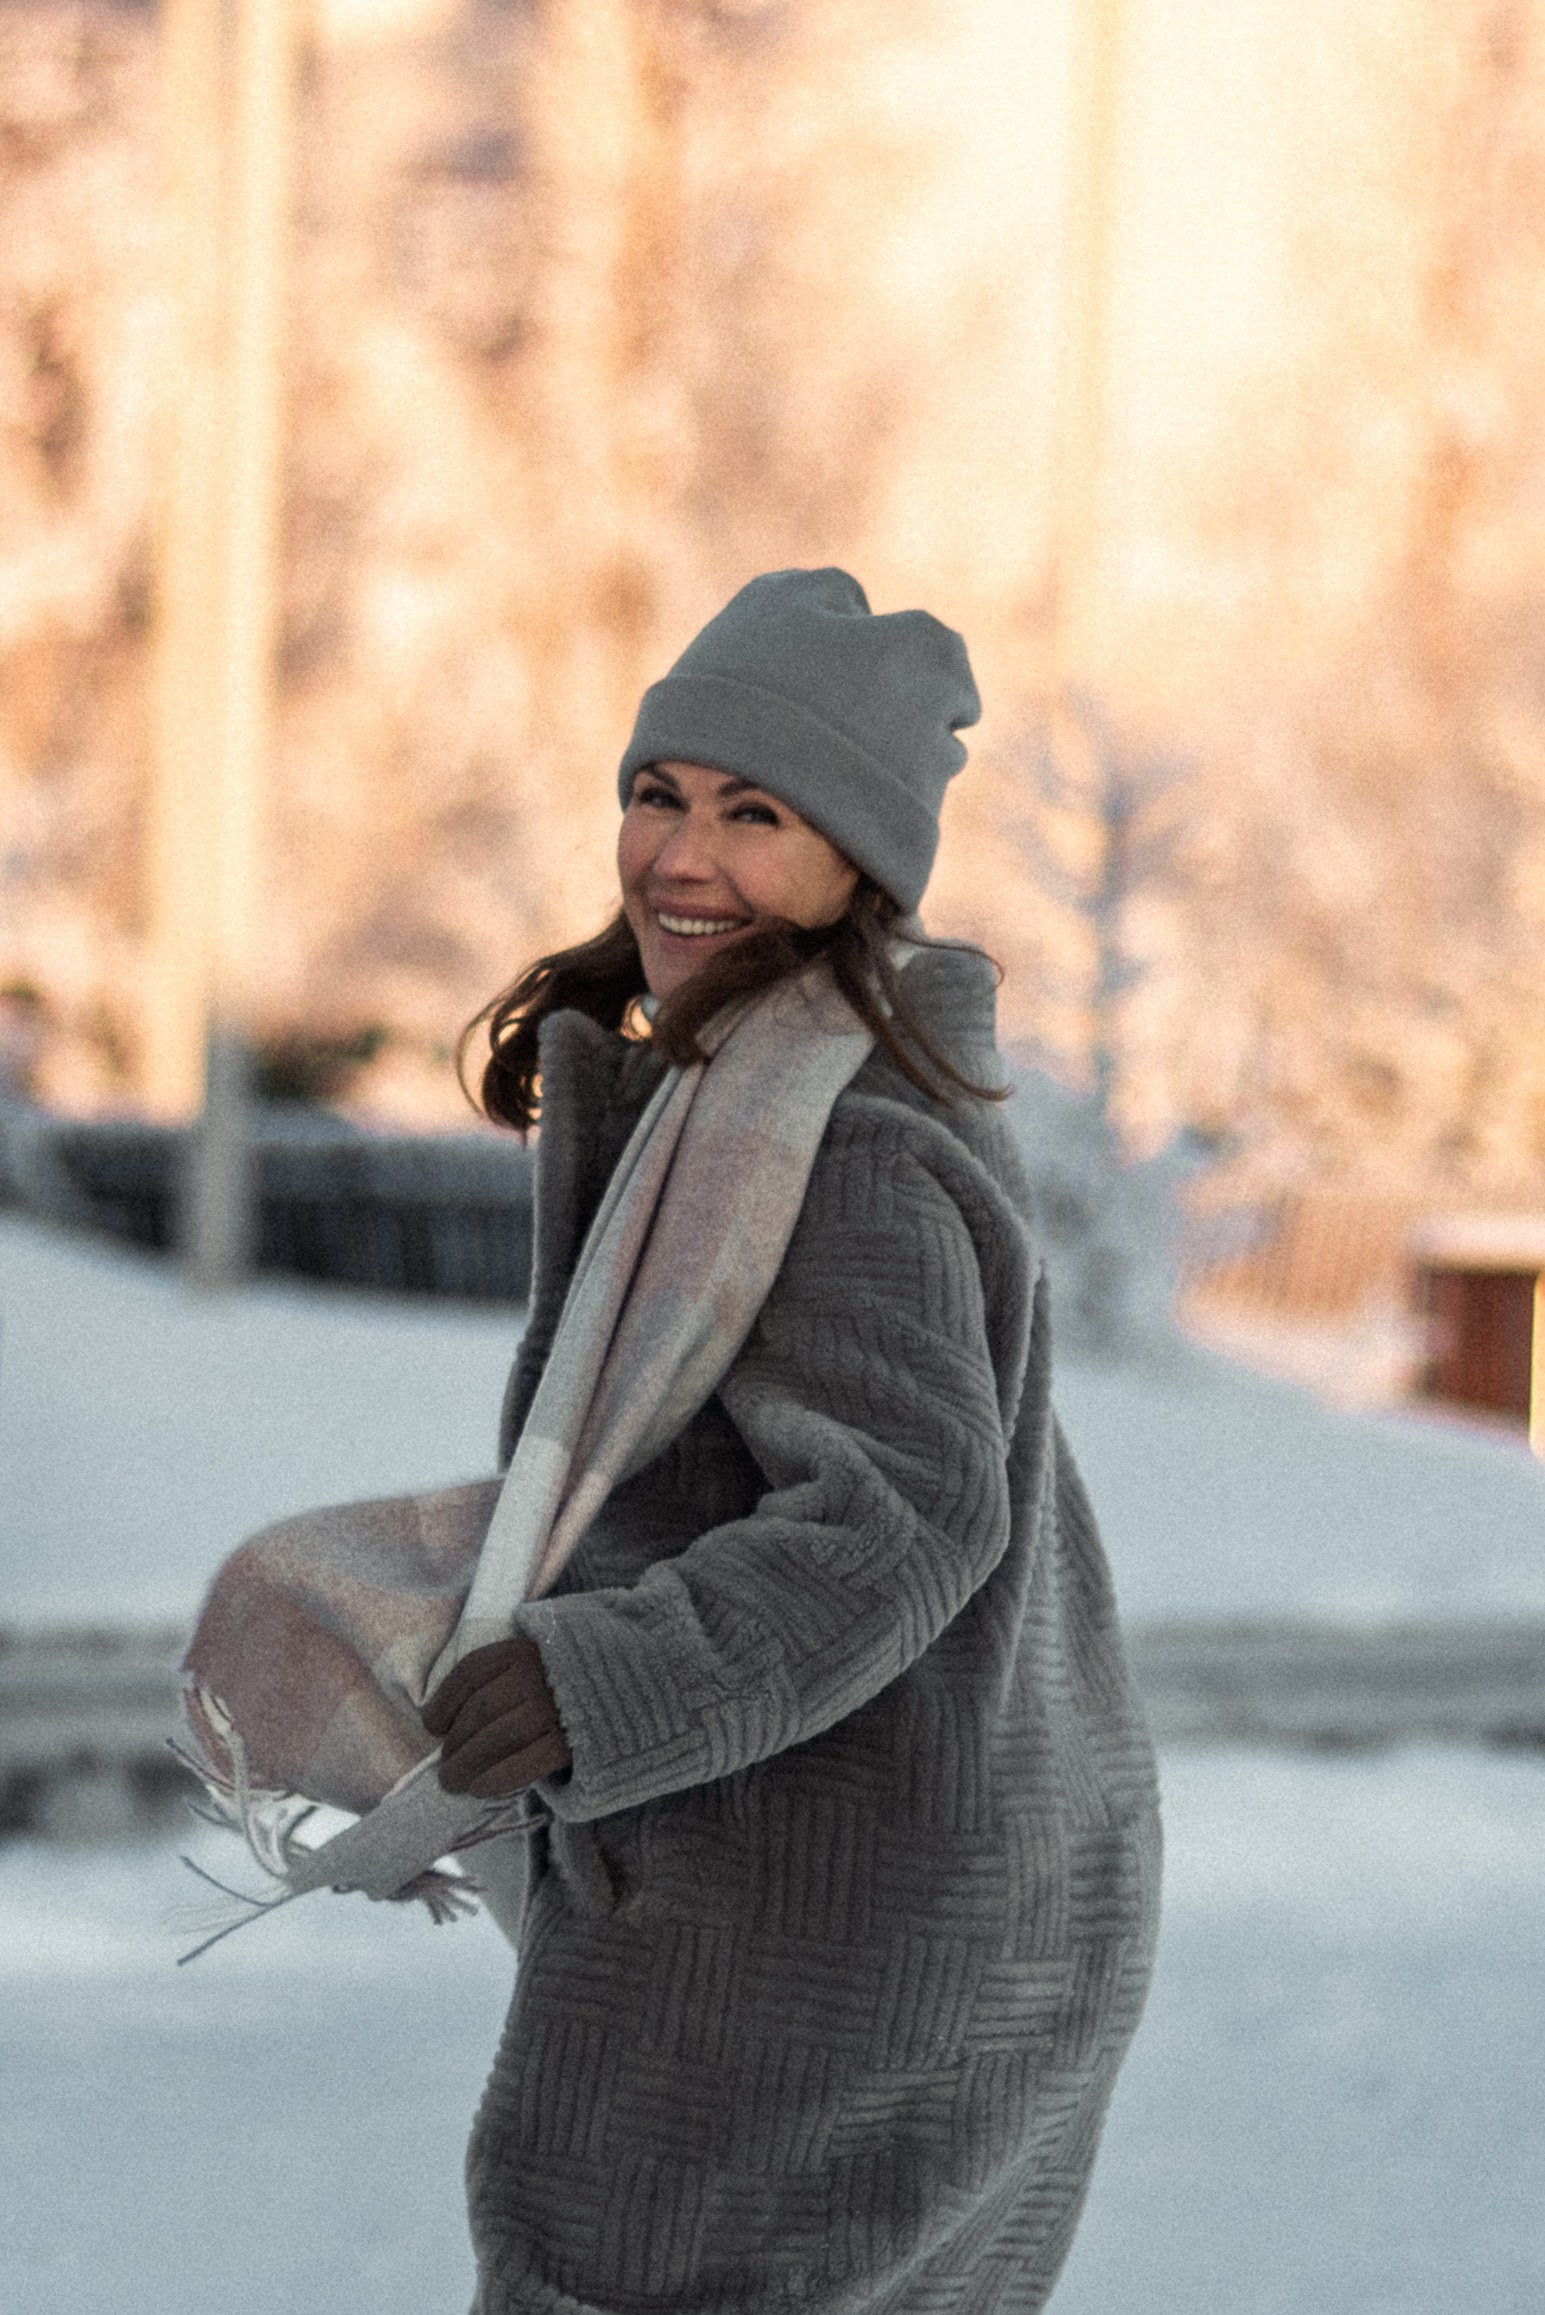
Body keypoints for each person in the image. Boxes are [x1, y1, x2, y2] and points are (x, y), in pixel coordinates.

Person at [421, 567, 1161, 2315]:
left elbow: (903, 1515)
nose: (681, 856)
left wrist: (603, 1680)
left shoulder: (839, 1141)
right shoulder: (753, 1089)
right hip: (886, 1876)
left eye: (756, 814)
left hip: (838, 1920)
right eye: (656, 794)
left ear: (859, 862)